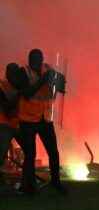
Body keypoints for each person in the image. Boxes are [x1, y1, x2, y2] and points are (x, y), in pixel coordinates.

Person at [18, 49, 67, 194]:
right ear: (29, 60)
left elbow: (58, 87)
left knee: (53, 152)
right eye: (34, 60)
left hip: (44, 118)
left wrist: (59, 82)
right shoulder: (23, 72)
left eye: (39, 59)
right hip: (28, 120)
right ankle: (29, 186)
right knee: (30, 154)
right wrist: (42, 80)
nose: (37, 62)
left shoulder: (48, 69)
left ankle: (56, 182)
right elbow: (26, 94)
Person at [0, 64, 22, 181]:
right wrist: (19, 95)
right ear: (7, 74)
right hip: (4, 125)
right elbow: (7, 109)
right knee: (1, 153)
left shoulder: (20, 87)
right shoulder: (2, 86)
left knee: (29, 151)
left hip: (17, 124)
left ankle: (27, 181)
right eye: (11, 73)